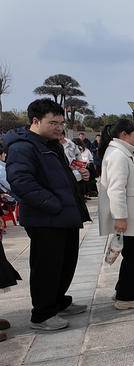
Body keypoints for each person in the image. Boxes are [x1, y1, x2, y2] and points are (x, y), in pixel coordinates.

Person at [4, 99, 91, 331]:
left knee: (65, 263)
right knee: (47, 266)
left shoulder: (51, 144)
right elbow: (21, 182)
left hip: (64, 216)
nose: (59, 128)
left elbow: (58, 176)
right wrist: (53, 204)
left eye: (61, 123)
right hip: (45, 218)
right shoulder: (22, 147)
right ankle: (42, 314)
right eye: (53, 123)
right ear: (35, 121)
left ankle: (57, 301)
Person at [98, 119, 134, 310]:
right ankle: (127, 296)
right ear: (124, 135)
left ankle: (123, 288)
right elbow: (116, 189)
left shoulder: (122, 152)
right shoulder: (118, 155)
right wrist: (120, 217)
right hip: (128, 217)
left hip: (132, 215)